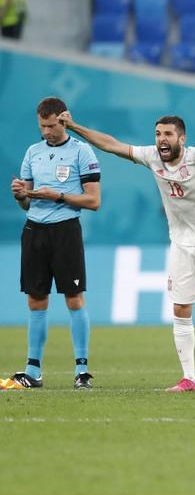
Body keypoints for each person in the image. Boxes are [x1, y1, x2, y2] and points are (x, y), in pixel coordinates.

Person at [60, 108, 195, 393]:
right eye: (158, 134)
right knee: (180, 308)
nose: (162, 139)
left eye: (168, 134)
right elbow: (112, 145)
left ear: (182, 139)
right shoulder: (152, 157)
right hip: (181, 241)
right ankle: (189, 379)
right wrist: (74, 126)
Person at [8, 97, 101, 390]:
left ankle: (82, 372)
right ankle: (33, 371)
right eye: (42, 126)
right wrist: (21, 195)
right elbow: (26, 202)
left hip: (65, 231)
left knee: (74, 298)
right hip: (34, 231)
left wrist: (58, 196)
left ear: (63, 120)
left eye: (51, 126)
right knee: (36, 300)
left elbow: (94, 201)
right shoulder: (32, 152)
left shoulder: (82, 151)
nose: (46, 132)